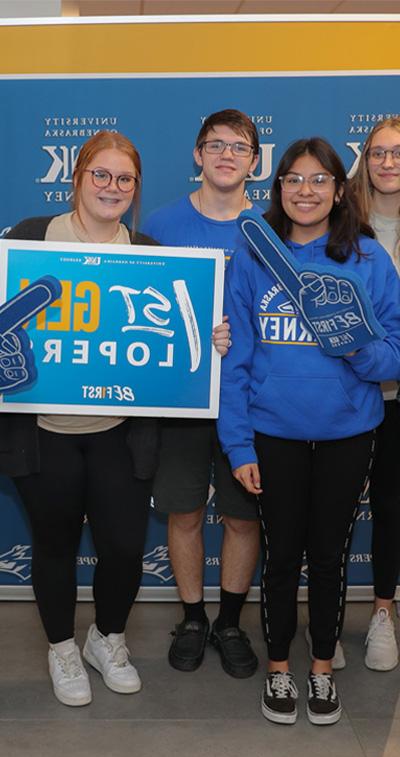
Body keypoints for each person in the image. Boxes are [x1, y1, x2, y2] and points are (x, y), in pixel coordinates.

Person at [217, 137, 400, 725]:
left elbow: (394, 347)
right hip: (273, 432)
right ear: (278, 190)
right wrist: (239, 443)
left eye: (319, 180)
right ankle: (278, 668)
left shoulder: (369, 259)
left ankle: (321, 668)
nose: (305, 191)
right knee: (279, 555)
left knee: (329, 556)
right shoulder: (254, 257)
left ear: (339, 190)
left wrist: (358, 353)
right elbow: (237, 357)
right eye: (293, 180)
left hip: (349, 430)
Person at [1, 131, 160, 707]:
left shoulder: (149, 253)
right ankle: (61, 647)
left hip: (119, 435)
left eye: (124, 179)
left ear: (135, 189)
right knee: (55, 546)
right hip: (43, 435)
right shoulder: (28, 238)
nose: (111, 187)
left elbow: (168, 346)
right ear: (77, 178)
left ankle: (106, 638)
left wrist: (204, 348)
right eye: (101, 174)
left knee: (122, 547)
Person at [143, 109, 261, 678]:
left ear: (254, 162)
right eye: (215, 144)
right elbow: (137, 314)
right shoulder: (160, 227)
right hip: (181, 404)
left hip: (251, 402)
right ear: (196, 154)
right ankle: (193, 617)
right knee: (185, 512)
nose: (226, 154)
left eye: (239, 146)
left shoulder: (269, 233)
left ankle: (231, 620)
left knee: (243, 518)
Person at [351, 116, 400, 671]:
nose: (388, 163)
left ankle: (383, 612)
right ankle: (329, 621)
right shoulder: (343, 223)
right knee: (334, 510)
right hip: (350, 390)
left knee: (390, 505)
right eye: (378, 153)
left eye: (397, 153)